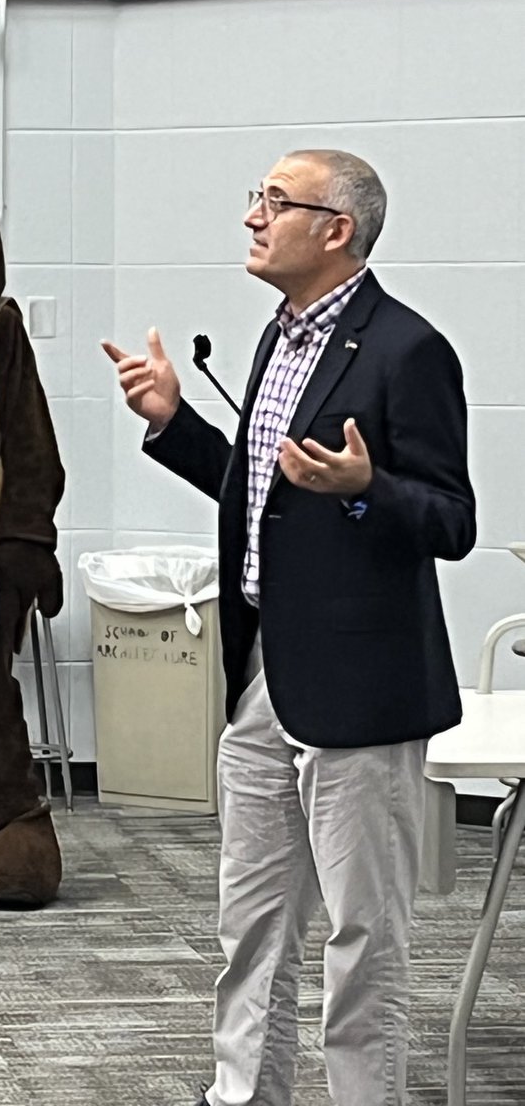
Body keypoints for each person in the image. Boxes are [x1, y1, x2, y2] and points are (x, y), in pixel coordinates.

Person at [102, 149, 476, 1106]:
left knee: (363, 935)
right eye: (256, 199)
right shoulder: (280, 340)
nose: (253, 217)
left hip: (360, 688)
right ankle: (243, 1097)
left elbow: (452, 521)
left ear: (336, 229)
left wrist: (368, 487)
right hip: (265, 671)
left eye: (275, 201)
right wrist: (173, 420)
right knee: (252, 925)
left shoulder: (408, 350)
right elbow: (262, 495)